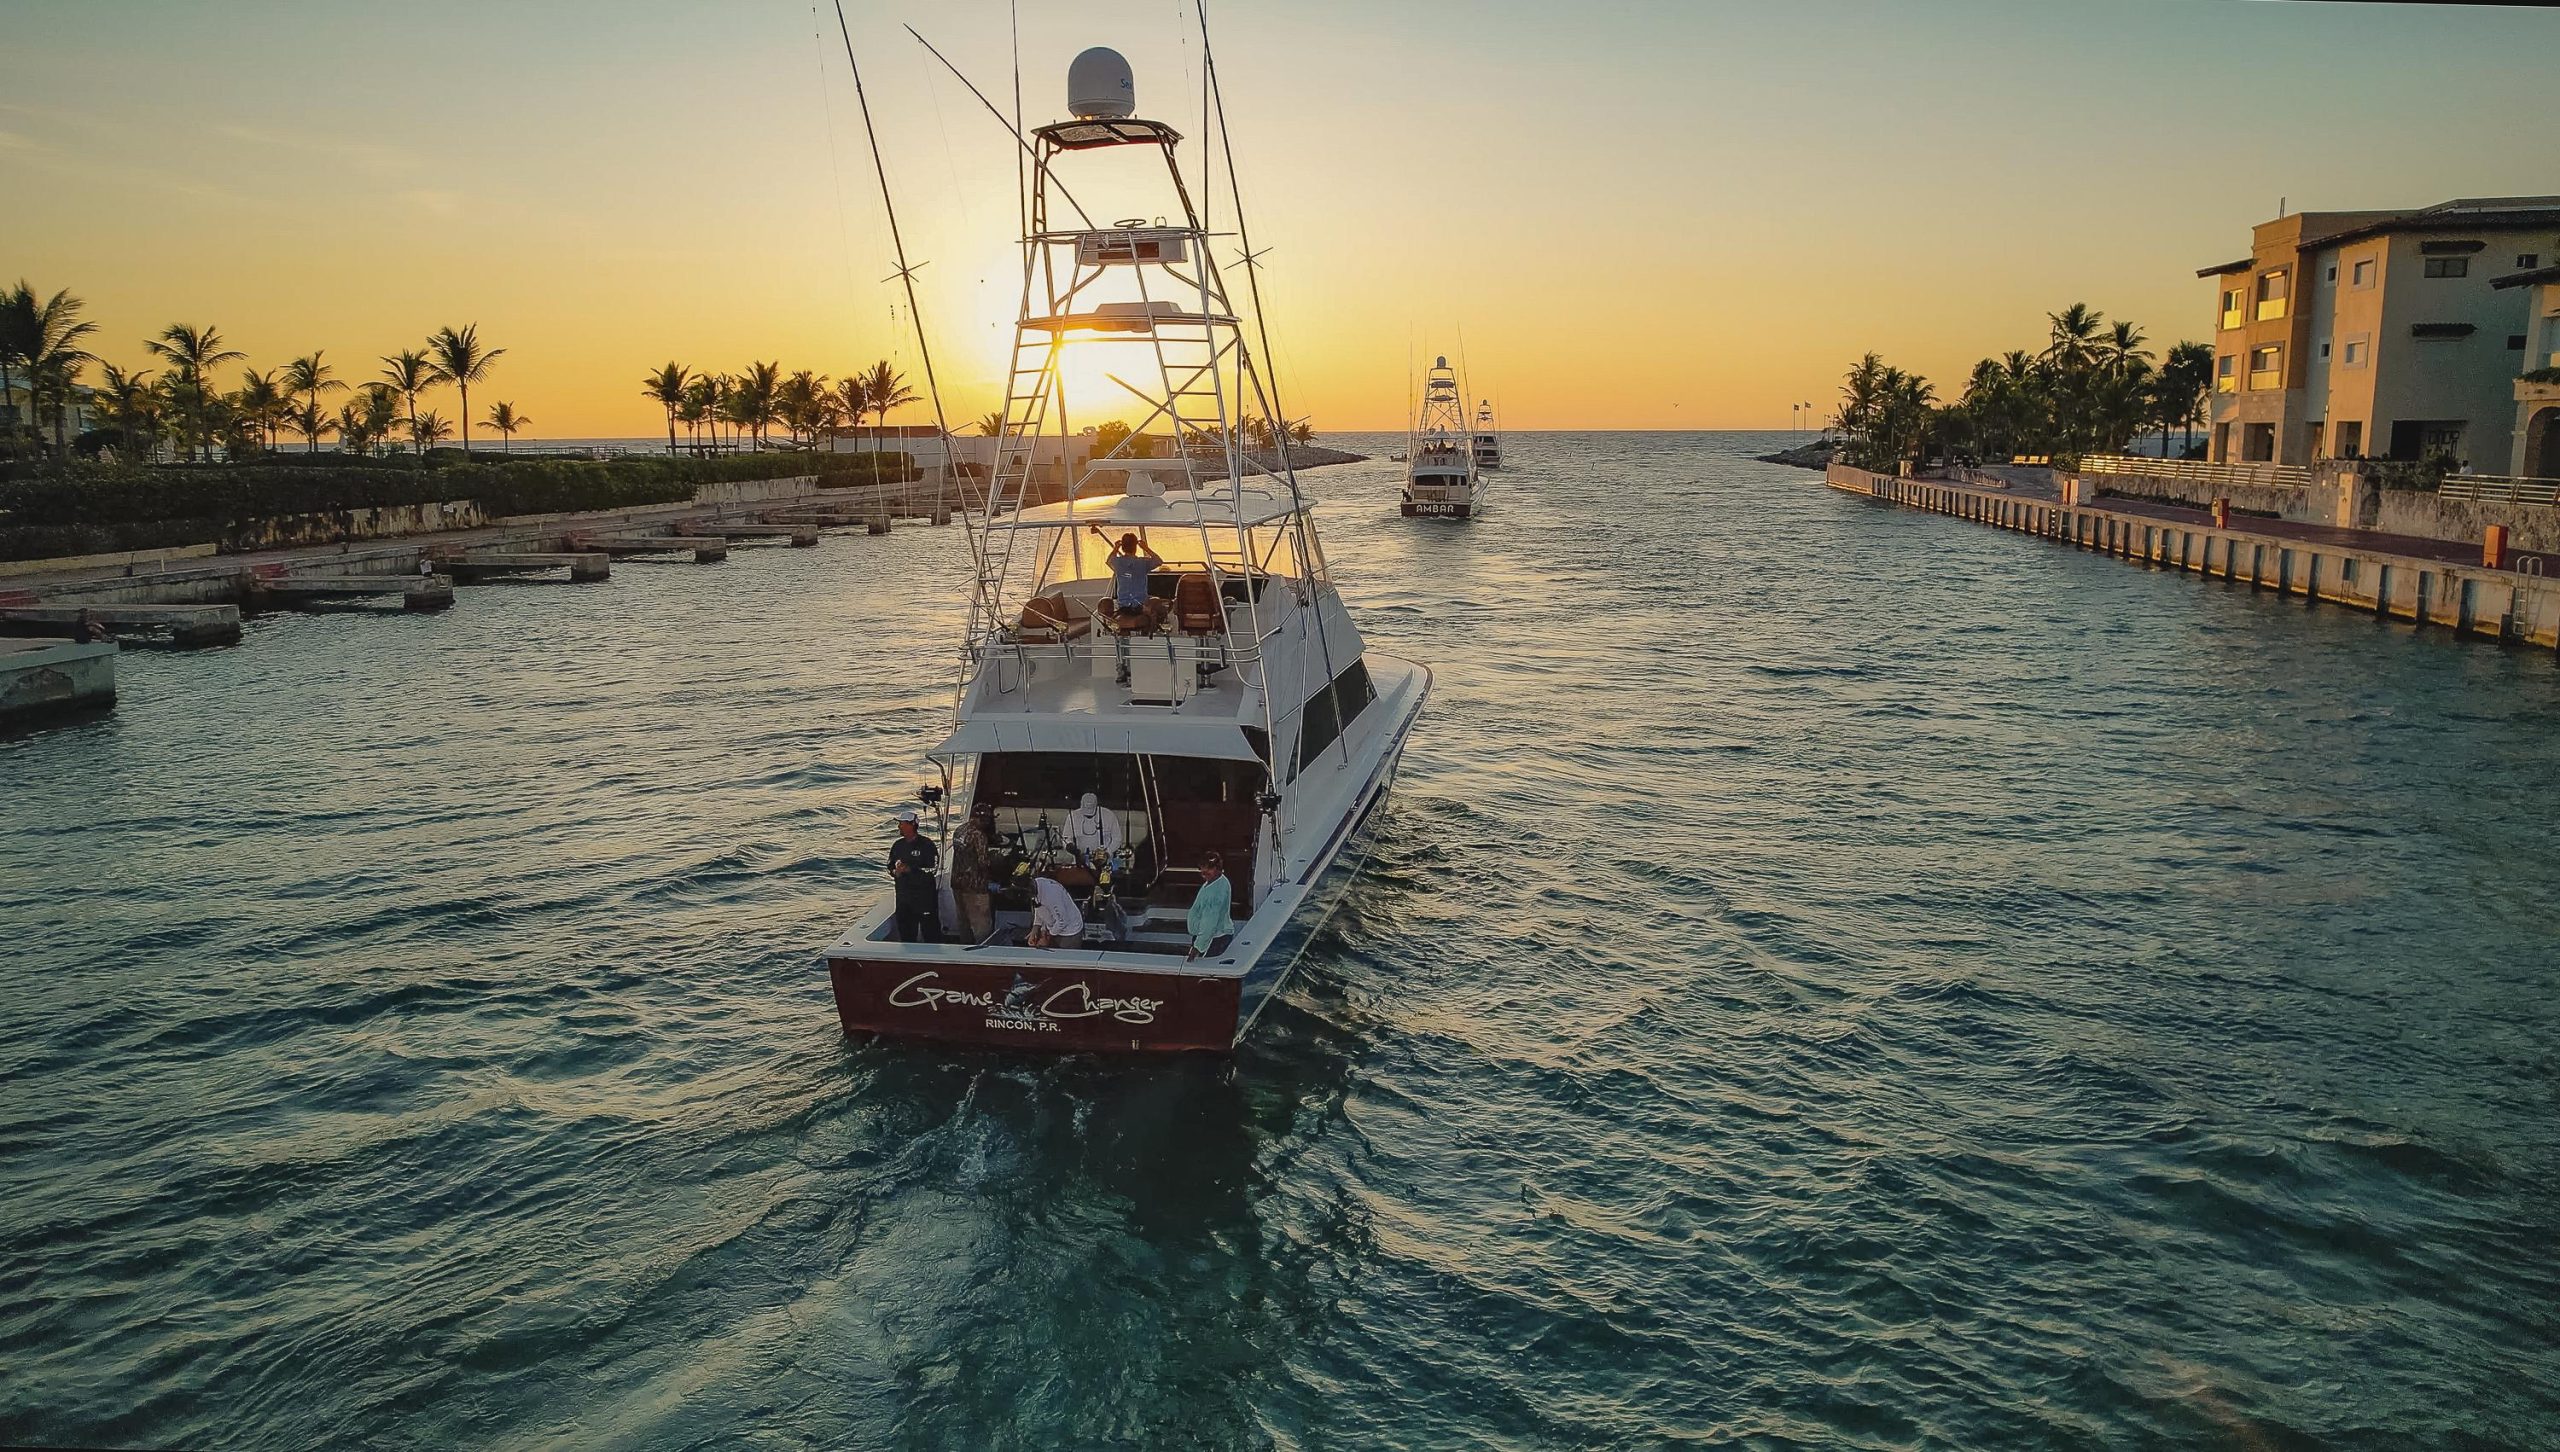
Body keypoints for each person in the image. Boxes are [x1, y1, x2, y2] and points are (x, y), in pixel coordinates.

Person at [887, 809, 940, 942]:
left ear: (911, 825)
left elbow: (933, 869)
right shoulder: (898, 845)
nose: (899, 826)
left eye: (902, 823)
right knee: (906, 934)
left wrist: (910, 870)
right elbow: (890, 865)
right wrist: (895, 871)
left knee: (930, 933)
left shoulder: (927, 845)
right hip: (904, 899)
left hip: (924, 899)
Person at [949, 802, 997, 945]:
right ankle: (984, 953)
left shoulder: (959, 830)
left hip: (957, 883)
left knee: (963, 921)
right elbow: (983, 862)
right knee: (981, 925)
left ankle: (965, 949)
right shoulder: (979, 835)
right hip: (974, 887)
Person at [1185, 851, 1234, 961]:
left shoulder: (1215, 894)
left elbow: (1209, 924)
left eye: (1209, 868)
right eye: (1202, 868)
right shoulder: (1215, 881)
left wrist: (1197, 948)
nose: (1204, 872)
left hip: (1214, 939)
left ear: (1218, 868)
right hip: (1208, 937)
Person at [1027, 864, 1085, 949]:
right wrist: (1035, 928)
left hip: (1069, 933)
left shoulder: (1051, 894)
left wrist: (1047, 936)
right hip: (1054, 930)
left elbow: (1062, 921)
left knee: (1064, 960)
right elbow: (1039, 908)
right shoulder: (1037, 886)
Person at [1064, 791, 1123, 867]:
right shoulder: (1072, 817)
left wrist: (1107, 853)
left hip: (1104, 862)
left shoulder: (1109, 815)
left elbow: (1117, 839)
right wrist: (1071, 847)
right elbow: (1066, 838)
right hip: (1080, 861)